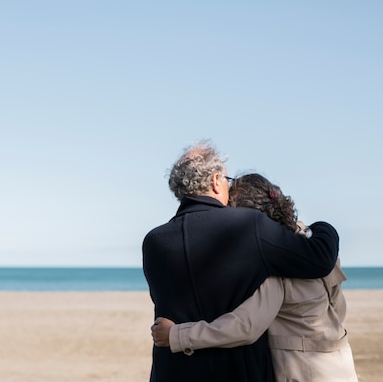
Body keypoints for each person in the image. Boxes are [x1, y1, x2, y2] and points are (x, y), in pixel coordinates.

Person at [142, 141, 339, 382]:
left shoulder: (153, 241)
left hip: (172, 371)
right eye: (227, 178)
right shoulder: (249, 225)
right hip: (239, 371)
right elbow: (319, 259)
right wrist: (323, 227)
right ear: (215, 180)